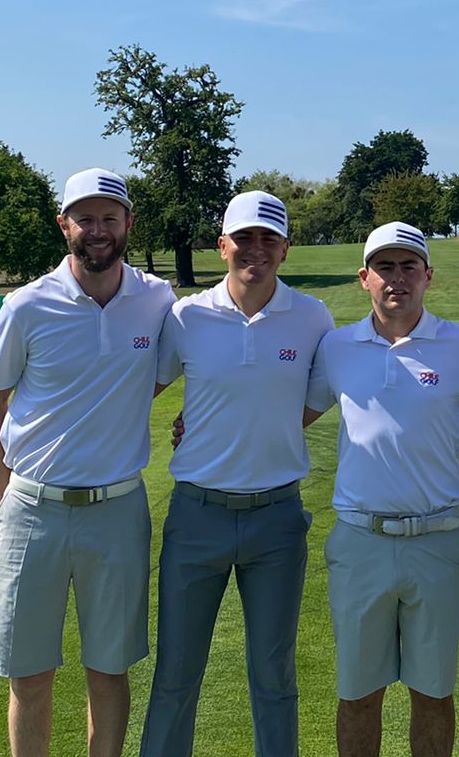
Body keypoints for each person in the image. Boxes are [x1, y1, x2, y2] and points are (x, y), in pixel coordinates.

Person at [0, 167, 177, 757]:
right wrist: (1, 483)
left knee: (109, 670)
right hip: (33, 509)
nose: (98, 229)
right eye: (85, 218)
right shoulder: (27, 304)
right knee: (29, 673)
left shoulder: (157, 300)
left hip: (117, 511)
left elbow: (175, 369)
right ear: (64, 224)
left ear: (128, 223)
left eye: (109, 217)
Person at [303, 221, 459, 757]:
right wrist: (202, 426)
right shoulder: (336, 347)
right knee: (357, 695)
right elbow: (287, 415)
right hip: (360, 542)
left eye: (408, 267)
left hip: (436, 542)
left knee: (434, 694)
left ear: (428, 276)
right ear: (364, 278)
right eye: (384, 267)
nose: (396, 278)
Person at [140, 190, 335, 757]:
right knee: (176, 674)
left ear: (285, 249)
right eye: (244, 237)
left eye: (269, 239)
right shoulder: (187, 316)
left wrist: (253, 422)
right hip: (196, 515)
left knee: (274, 677)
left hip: (277, 519)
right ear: (222, 244)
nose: (256, 249)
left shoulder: (312, 318)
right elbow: (141, 388)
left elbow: (314, 398)